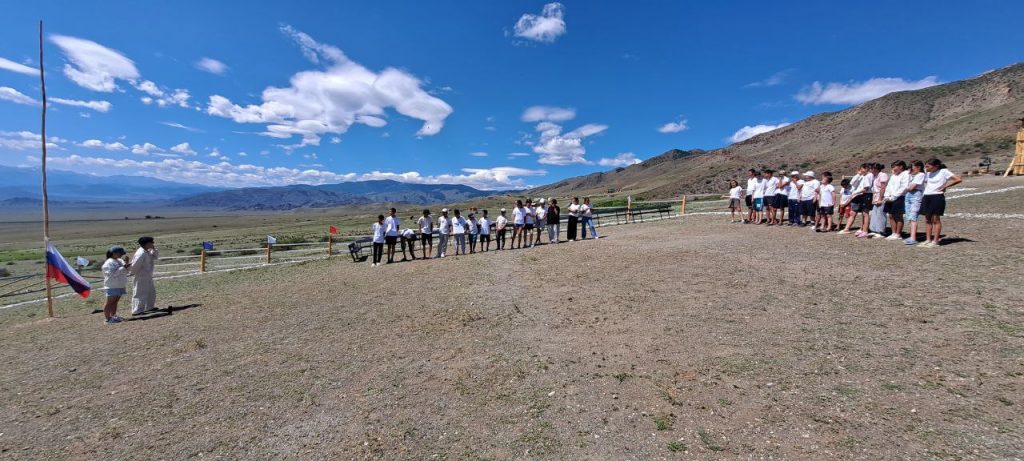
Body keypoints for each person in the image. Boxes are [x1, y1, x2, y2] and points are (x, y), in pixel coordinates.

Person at [920, 158, 962, 247]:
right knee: (927, 219)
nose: (926, 168)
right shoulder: (928, 173)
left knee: (936, 220)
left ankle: (935, 241)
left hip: (937, 196)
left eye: (928, 166)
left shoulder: (943, 171)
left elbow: (958, 179)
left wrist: (945, 186)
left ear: (936, 166)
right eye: (925, 166)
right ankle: (928, 239)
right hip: (927, 196)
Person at [839, 163, 873, 235]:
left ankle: (864, 229)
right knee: (853, 212)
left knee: (864, 213)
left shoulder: (869, 175)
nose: (861, 171)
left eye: (862, 169)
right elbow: (852, 182)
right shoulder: (861, 176)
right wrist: (858, 174)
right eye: (860, 169)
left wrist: (856, 192)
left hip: (863, 194)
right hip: (857, 195)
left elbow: (866, 188)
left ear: (866, 168)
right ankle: (847, 229)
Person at [129, 236, 159, 315]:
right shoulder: (141, 253)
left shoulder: (147, 251)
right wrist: (132, 272)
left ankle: (149, 307)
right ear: (147, 243)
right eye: (151, 242)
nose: (153, 244)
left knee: (151, 292)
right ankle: (137, 310)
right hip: (141, 276)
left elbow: (155, 257)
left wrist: (154, 249)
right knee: (140, 293)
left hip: (148, 275)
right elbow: (135, 265)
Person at [101, 245, 130, 324]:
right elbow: (112, 274)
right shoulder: (109, 262)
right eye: (120, 253)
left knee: (115, 301)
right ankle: (108, 319)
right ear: (114, 253)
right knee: (109, 302)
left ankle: (114, 316)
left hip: (120, 284)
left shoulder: (120, 260)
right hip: (112, 285)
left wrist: (126, 264)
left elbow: (125, 271)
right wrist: (124, 267)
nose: (121, 255)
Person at [884, 160, 910, 240]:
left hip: (899, 197)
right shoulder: (894, 175)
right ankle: (893, 232)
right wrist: (886, 195)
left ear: (901, 166)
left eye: (894, 167)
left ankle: (898, 234)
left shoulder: (906, 174)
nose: (893, 169)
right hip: (889, 197)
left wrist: (894, 196)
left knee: (898, 216)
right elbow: (889, 186)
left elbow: (904, 187)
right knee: (891, 215)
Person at [903, 160, 926, 245]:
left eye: (912, 167)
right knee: (909, 216)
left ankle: (913, 238)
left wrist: (906, 187)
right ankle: (911, 236)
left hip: (916, 194)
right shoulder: (911, 175)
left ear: (918, 167)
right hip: (909, 195)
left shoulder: (920, 175)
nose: (911, 169)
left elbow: (912, 187)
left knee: (913, 217)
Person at [865, 163, 889, 238]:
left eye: (871, 169)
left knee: (880, 214)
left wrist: (880, 198)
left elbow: (883, 187)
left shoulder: (882, 175)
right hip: (875, 196)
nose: (870, 170)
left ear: (875, 169)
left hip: (881, 196)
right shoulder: (875, 176)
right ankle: (874, 230)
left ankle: (881, 231)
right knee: (874, 213)